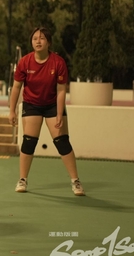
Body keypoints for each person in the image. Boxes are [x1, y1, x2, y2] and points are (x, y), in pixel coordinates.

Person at [8, 27, 85, 196]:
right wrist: (12, 110)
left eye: (42, 38)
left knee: (62, 141)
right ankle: (22, 179)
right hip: (32, 105)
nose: (38, 41)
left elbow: (61, 90)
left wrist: (59, 113)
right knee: (29, 142)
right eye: (35, 38)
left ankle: (75, 181)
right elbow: (16, 87)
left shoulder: (58, 62)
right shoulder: (25, 62)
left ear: (48, 42)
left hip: (52, 105)